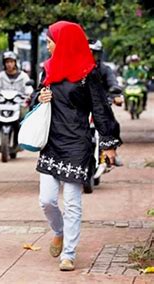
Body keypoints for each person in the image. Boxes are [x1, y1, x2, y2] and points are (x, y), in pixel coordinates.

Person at [34, 21, 119, 271]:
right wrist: (40, 97)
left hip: (77, 144)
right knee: (46, 201)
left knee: (72, 202)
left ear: (64, 42)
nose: (48, 45)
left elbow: (100, 109)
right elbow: (36, 99)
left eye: (51, 40)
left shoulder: (87, 72)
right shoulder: (47, 69)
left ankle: (68, 253)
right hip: (51, 142)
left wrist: (108, 142)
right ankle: (58, 231)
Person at [89, 39, 124, 168]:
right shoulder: (76, 69)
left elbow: (112, 82)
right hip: (81, 108)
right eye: (88, 53)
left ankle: (112, 151)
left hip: (102, 105)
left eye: (94, 53)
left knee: (113, 125)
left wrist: (116, 95)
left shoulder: (104, 69)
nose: (91, 56)